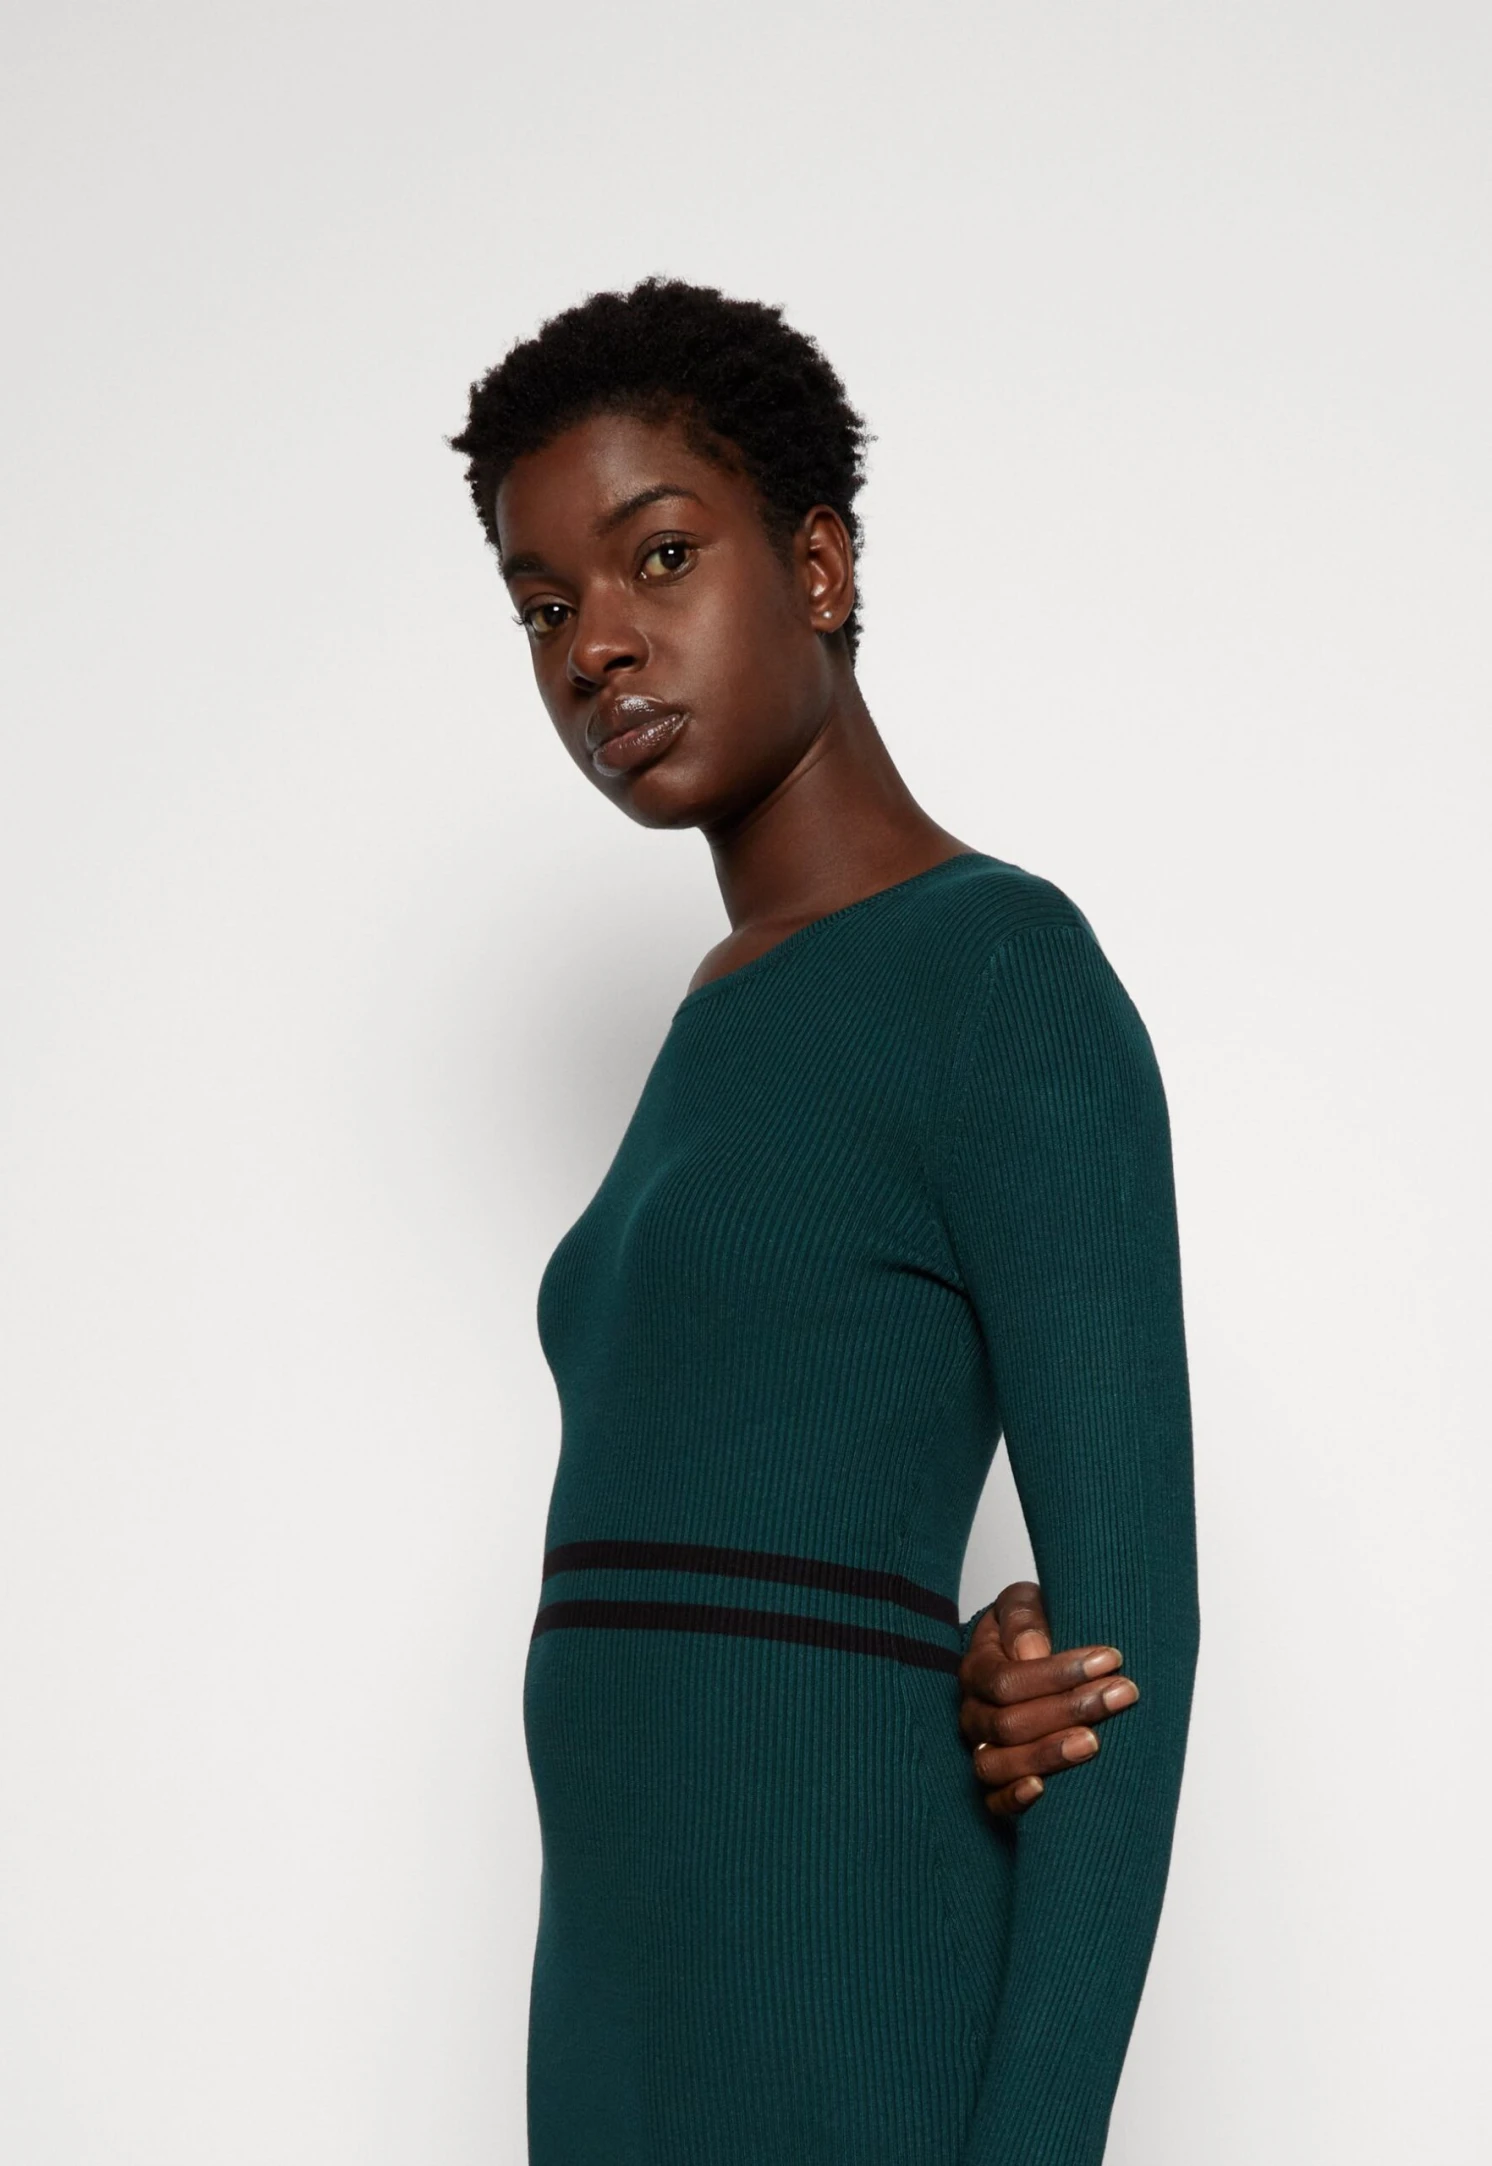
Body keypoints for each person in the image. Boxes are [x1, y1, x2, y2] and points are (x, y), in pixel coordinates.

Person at [449, 277, 1201, 2166]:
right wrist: (935, 1664)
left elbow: (1131, 1649)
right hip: (614, 2025)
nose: (595, 647)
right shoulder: (721, 1012)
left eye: (659, 556)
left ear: (819, 562)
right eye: (542, 606)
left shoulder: (1000, 974)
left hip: (840, 2017)